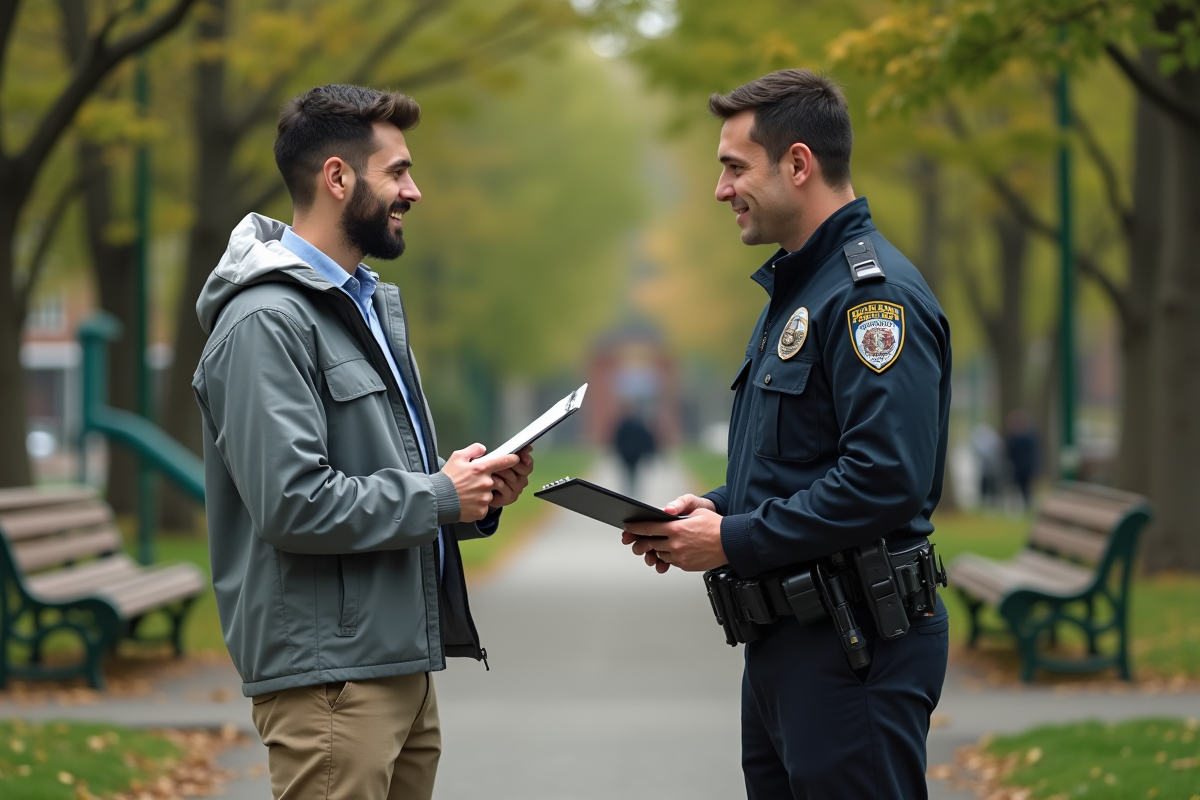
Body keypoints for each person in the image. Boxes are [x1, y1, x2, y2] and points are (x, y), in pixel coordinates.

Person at [192, 84, 534, 800]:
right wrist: (438, 495)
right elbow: (292, 504)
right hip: (331, 681)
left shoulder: (361, 305)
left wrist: (464, 495)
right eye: (399, 171)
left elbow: (377, 477)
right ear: (338, 178)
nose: (416, 190)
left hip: (396, 664)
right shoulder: (266, 322)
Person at [622, 69, 952, 799]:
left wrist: (734, 540)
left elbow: (883, 478)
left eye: (734, 167)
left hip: (855, 647)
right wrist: (712, 509)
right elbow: (798, 459)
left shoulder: (872, 299)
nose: (720, 189)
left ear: (797, 164)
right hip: (789, 645)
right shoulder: (802, 292)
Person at [612, 411, 657, 494]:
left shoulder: (624, 425)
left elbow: (618, 438)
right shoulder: (640, 425)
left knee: (627, 470)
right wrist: (650, 452)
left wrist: (618, 449)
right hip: (636, 453)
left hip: (626, 452)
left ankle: (628, 489)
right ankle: (632, 489)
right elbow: (646, 438)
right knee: (633, 471)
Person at [1005, 409, 1038, 510]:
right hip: (1027, 466)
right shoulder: (1031, 436)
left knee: (1019, 487)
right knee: (1025, 488)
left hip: (1020, 467)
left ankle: (1020, 506)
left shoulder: (1016, 438)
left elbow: (1010, 452)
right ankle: (1026, 505)